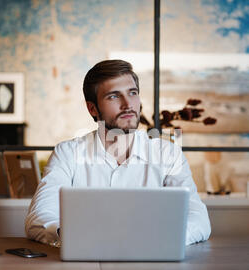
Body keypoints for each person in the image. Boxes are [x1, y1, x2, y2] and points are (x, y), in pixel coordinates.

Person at [25, 59, 211, 246]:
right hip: (84, 269)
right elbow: (39, 219)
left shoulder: (168, 154)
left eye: (133, 93)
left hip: (153, 266)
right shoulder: (67, 153)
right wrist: (73, 235)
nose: (127, 104)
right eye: (114, 96)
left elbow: (199, 219)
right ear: (92, 108)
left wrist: (159, 240)